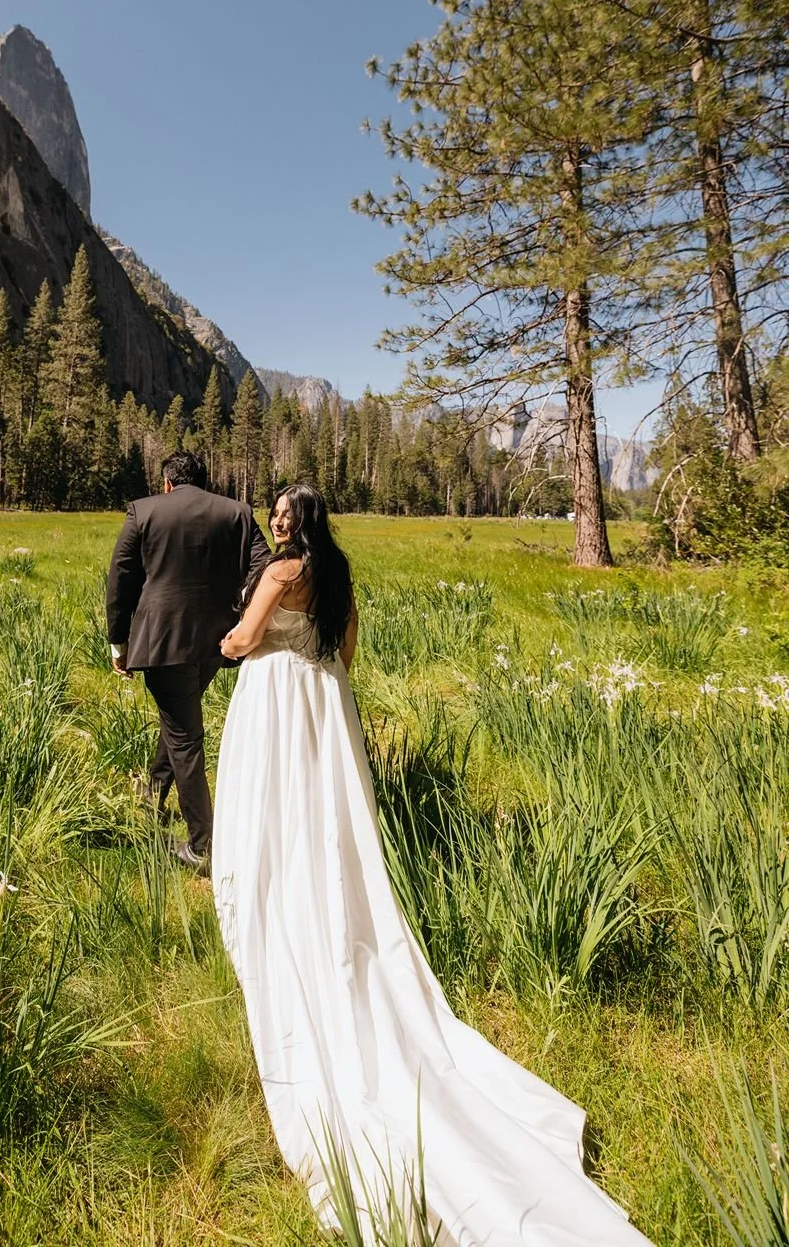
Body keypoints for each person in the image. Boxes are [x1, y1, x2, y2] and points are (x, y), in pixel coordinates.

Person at [213, 484, 653, 1246]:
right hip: (324, 704)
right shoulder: (340, 577)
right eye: (276, 513)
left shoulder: (283, 573)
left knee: (273, 816)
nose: (277, 521)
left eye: (284, 514)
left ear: (298, 523)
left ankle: (274, 899)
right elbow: (345, 654)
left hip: (278, 705)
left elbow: (244, 641)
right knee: (329, 826)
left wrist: (229, 640)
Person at [106, 449, 270, 869]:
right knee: (179, 719)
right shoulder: (237, 513)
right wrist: (242, 616)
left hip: (163, 642)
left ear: (167, 482)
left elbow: (121, 578)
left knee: (185, 738)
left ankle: (203, 846)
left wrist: (118, 643)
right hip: (219, 641)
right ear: (204, 481)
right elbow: (263, 568)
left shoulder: (142, 511)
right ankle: (152, 795)